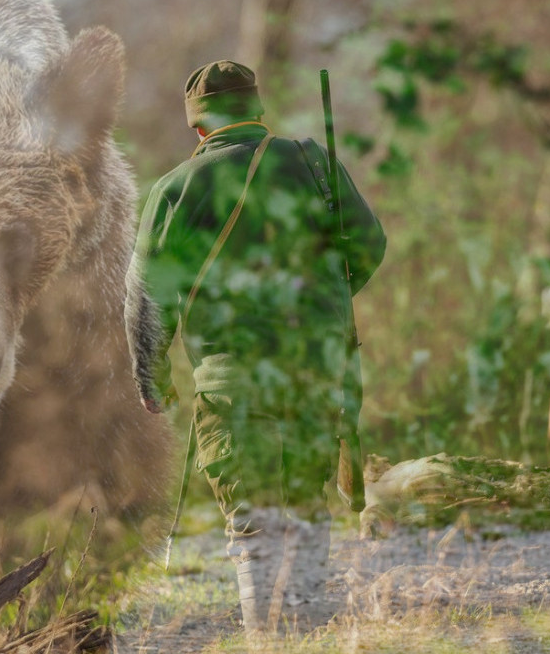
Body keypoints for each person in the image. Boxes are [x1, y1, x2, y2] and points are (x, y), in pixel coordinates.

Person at [132, 60, 385, 634]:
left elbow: (148, 297)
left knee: (252, 525)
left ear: (198, 127)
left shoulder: (175, 188)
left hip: (230, 384)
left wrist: (151, 376)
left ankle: (267, 644)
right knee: (304, 512)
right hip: (313, 374)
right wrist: (327, 304)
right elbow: (369, 244)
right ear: (256, 110)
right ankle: (305, 638)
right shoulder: (313, 162)